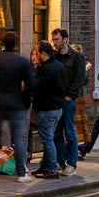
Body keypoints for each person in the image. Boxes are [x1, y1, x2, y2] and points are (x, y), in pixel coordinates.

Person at [0, 30, 35, 181]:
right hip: (17, 104)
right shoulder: (23, 61)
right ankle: (21, 173)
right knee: (19, 138)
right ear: (16, 44)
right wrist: (24, 98)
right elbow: (31, 84)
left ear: (3, 43)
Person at [51, 27, 86, 173]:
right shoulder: (54, 57)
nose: (54, 43)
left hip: (68, 100)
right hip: (56, 99)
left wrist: (70, 95)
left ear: (65, 39)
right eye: (53, 40)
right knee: (57, 132)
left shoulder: (77, 57)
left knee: (70, 132)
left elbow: (79, 79)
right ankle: (60, 161)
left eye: (57, 40)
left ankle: (72, 163)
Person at [31, 40, 67, 177]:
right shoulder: (57, 65)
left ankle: (52, 168)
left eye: (37, 52)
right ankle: (45, 166)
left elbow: (38, 86)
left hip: (48, 108)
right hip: (56, 107)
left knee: (47, 139)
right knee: (48, 138)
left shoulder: (47, 69)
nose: (35, 55)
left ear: (44, 54)